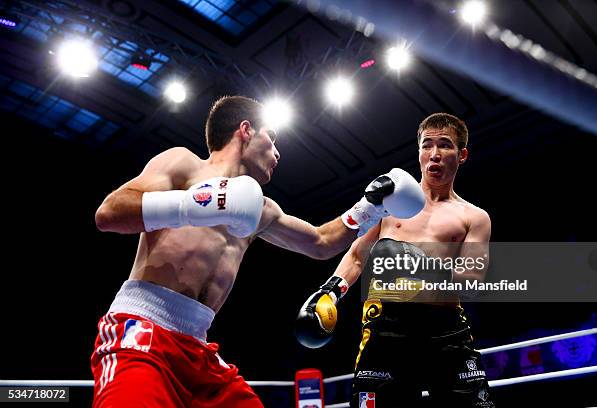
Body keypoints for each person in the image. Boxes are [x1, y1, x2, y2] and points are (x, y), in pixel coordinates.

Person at [91, 95, 425, 407]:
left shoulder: (261, 210)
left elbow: (322, 242)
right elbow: (109, 214)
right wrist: (196, 203)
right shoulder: (184, 165)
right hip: (141, 332)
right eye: (273, 136)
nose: (277, 152)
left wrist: (370, 206)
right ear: (246, 130)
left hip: (197, 346)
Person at [296, 113, 495, 407]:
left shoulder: (474, 217)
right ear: (418, 152)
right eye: (427, 145)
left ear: (462, 154)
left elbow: (473, 282)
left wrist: (422, 268)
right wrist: (330, 292)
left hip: (446, 328)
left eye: (445, 145)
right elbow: (357, 256)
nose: (435, 154)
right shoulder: (391, 201)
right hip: (388, 326)